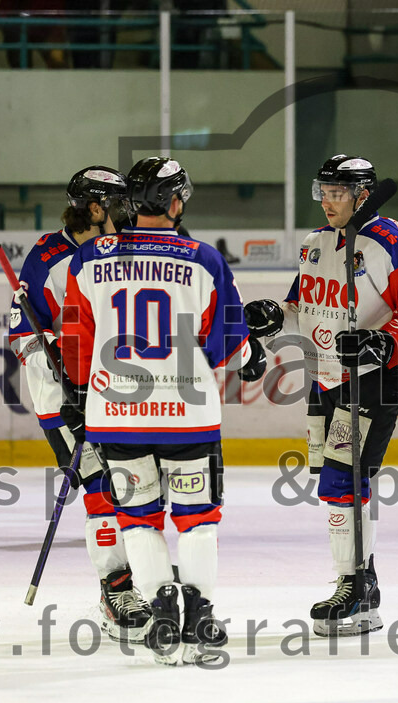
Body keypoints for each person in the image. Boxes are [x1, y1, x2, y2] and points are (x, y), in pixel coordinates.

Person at [59, 156, 266, 665]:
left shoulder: (88, 260)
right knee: (198, 519)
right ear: (174, 202)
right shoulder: (204, 259)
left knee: (137, 517)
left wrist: (81, 393)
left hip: (117, 417)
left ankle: (161, 613)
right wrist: (252, 359)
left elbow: (75, 343)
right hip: (188, 417)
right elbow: (226, 344)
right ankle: (199, 616)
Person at [244, 154, 398, 637]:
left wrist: (377, 342)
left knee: (341, 481)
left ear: (362, 195)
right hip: (324, 378)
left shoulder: (389, 241)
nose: (327, 203)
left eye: (337, 194)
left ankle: (355, 585)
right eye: (323, 193)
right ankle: (362, 586)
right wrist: (274, 317)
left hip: (372, 378)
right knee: (336, 485)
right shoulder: (315, 243)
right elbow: (301, 307)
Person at [7, 165, 151, 644]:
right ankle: (116, 589)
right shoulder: (47, 258)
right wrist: (62, 367)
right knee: (101, 487)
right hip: (64, 399)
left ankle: (142, 574)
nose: (128, 214)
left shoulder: (123, 250)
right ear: (94, 209)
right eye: (119, 205)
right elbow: (23, 335)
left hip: (114, 392)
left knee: (138, 484)